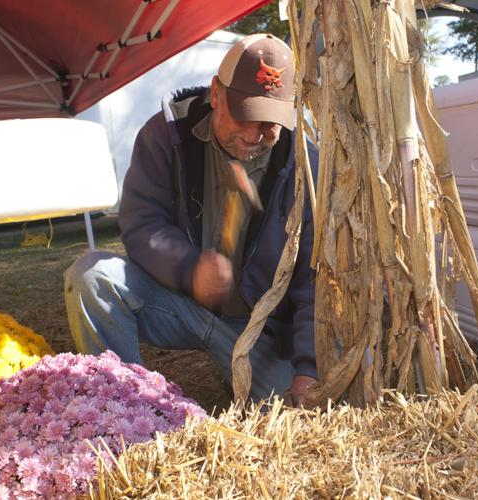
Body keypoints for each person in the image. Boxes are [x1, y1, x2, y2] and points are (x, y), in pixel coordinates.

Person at [64, 33, 318, 406]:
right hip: (178, 302)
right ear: (216, 94)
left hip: (258, 331)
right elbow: (142, 221)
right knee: (92, 278)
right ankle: (122, 406)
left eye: (268, 122)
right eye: (245, 115)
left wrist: (309, 368)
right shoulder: (167, 135)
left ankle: (235, 370)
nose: (253, 135)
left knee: (285, 411)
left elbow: (314, 281)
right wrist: (189, 268)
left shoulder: (306, 168)